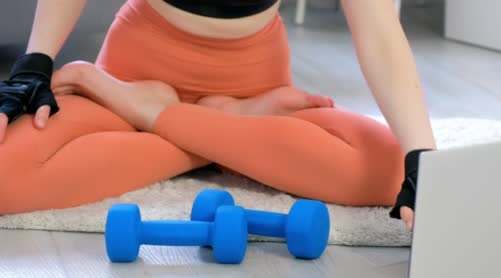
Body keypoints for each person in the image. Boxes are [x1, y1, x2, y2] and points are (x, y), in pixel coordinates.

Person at [0, 0, 436, 230]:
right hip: (137, 70)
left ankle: (166, 116)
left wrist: (422, 155)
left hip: (253, 82)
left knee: (394, 174)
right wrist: (36, 59)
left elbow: (378, 32)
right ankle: (225, 131)